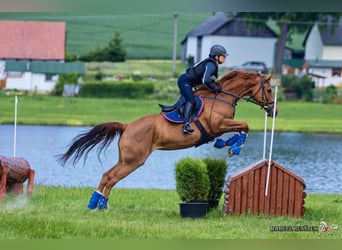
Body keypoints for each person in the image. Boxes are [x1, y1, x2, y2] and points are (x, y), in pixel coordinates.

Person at [178, 44, 228, 134]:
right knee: (192, 101)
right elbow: (205, 81)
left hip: (188, 83)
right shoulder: (211, 64)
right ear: (216, 56)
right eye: (223, 56)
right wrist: (214, 89)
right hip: (185, 81)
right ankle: (185, 125)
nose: (225, 58)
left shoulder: (212, 64)